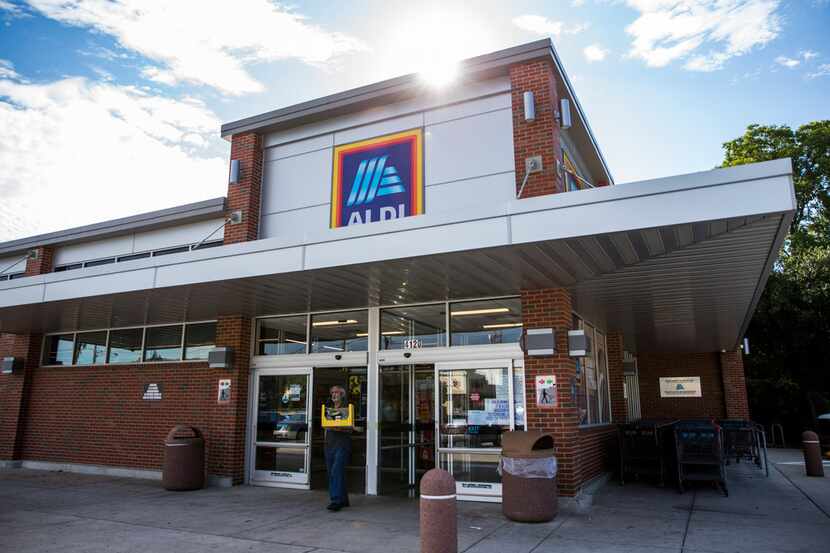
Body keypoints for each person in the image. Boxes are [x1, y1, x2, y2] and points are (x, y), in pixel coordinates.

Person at [324, 384, 352, 511]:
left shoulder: (347, 409)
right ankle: (344, 499)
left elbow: (351, 427)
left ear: (342, 395)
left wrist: (341, 427)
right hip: (330, 443)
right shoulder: (328, 409)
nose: (334, 395)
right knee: (332, 472)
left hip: (342, 443)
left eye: (336, 392)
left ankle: (336, 501)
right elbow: (325, 425)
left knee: (336, 471)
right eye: (332, 393)